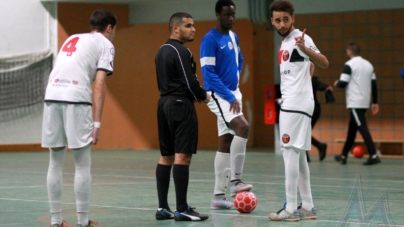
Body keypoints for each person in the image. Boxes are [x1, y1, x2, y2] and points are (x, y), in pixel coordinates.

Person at [41, 9, 116, 227]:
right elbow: (99, 85)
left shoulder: (73, 38)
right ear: (109, 28)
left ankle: (56, 221)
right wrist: (97, 123)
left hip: (52, 96)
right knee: (82, 164)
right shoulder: (105, 44)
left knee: (55, 163)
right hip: (76, 99)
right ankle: (83, 222)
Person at [267, 0, 329, 221]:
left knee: (289, 154)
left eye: (286, 19)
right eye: (278, 20)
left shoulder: (300, 39)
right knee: (299, 154)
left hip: (296, 105)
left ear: (293, 19)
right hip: (295, 102)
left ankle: (291, 208)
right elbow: (306, 68)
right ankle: (308, 206)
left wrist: (305, 49)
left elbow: (323, 62)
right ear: (272, 21)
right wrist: (299, 84)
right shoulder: (284, 43)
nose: (282, 24)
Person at [154, 12, 210, 222]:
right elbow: (190, 82)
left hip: (164, 105)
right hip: (180, 106)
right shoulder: (181, 51)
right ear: (175, 29)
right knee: (182, 156)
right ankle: (182, 208)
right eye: (188, 26)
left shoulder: (161, 51)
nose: (193, 29)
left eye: (193, 25)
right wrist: (203, 95)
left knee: (166, 156)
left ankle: (162, 208)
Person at [200, 0, 253, 210]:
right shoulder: (209, 40)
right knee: (243, 127)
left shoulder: (234, 36)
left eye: (233, 14)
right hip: (218, 96)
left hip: (233, 94)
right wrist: (229, 96)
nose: (231, 18)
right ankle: (236, 182)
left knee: (225, 142)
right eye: (226, 15)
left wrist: (236, 81)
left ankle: (218, 196)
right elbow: (209, 74)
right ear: (217, 15)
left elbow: (239, 59)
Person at [334, 42, 380, 165]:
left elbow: (343, 83)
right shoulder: (369, 65)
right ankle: (343, 156)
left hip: (355, 102)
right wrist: (375, 102)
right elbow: (374, 85)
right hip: (364, 102)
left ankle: (374, 155)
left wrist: (336, 83)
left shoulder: (349, 65)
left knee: (362, 128)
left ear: (349, 52)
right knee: (352, 131)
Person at [307, 64, 332, 162]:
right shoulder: (298, 80)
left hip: (313, 109)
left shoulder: (311, 80)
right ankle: (319, 146)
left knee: (303, 133)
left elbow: (323, 86)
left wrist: (327, 88)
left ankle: (317, 148)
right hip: (307, 109)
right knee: (303, 133)